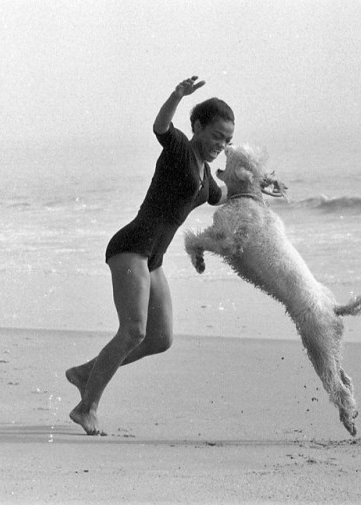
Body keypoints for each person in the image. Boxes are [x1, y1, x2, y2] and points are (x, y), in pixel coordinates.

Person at [66, 76, 235, 435]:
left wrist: (259, 183)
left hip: (152, 258)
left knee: (160, 338)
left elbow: (225, 194)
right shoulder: (179, 151)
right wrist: (177, 95)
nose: (222, 145)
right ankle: (87, 407)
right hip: (132, 247)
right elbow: (160, 126)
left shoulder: (206, 176)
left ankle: (86, 374)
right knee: (133, 331)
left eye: (228, 140)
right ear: (198, 126)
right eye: (217, 135)